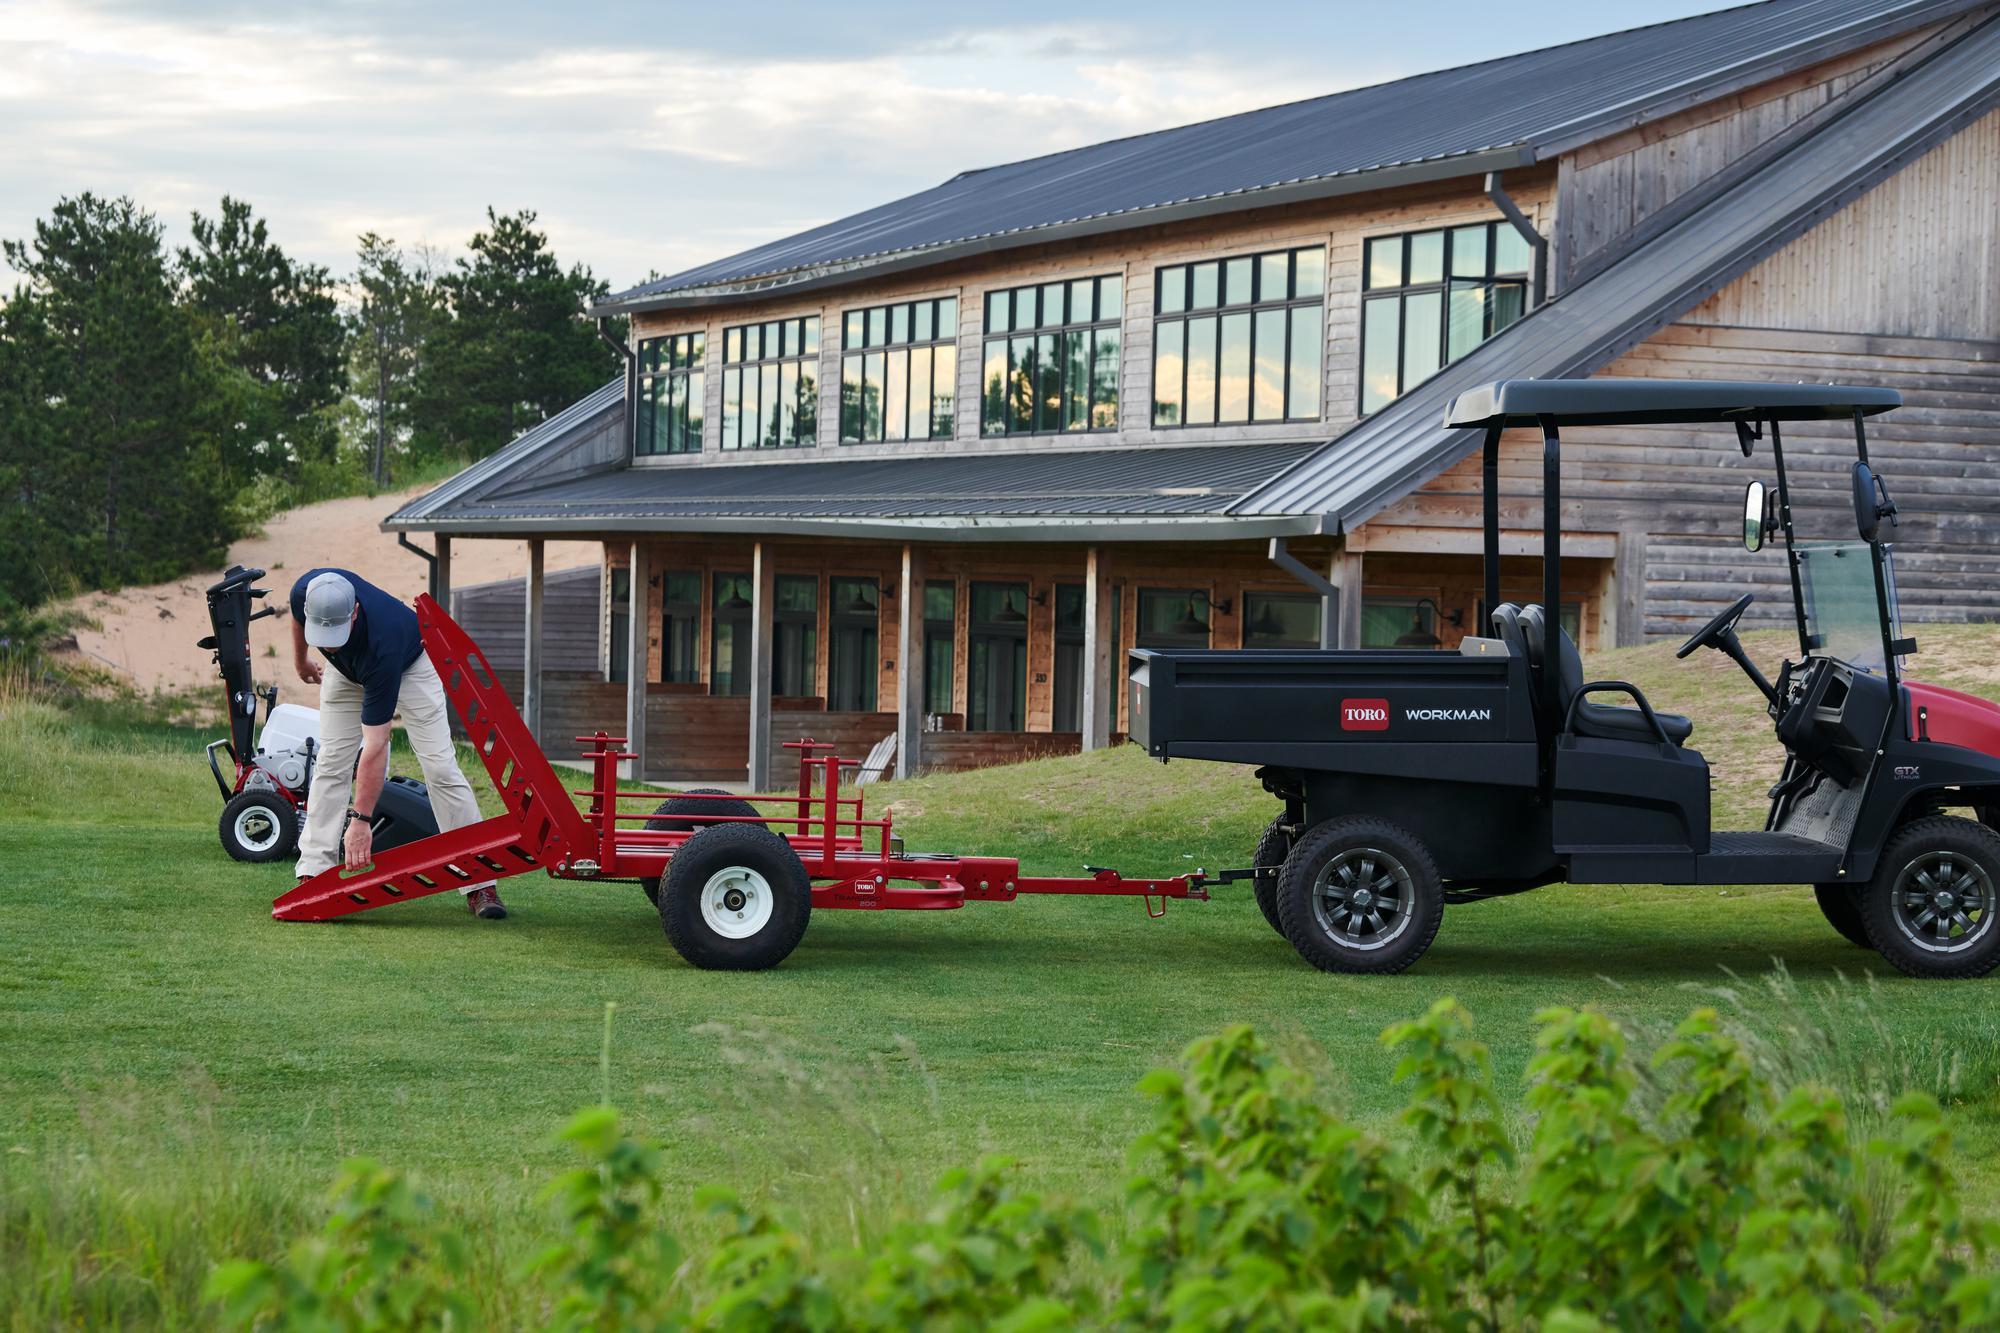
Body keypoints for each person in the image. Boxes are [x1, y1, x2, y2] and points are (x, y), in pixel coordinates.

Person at [290, 568, 507, 919]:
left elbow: (376, 745)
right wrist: (300, 661)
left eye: (336, 632)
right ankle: (313, 875)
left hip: (409, 666)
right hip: (346, 674)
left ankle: (480, 880)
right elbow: (297, 620)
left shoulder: (383, 641)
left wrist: (360, 823)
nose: (328, 644)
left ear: (355, 612)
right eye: (322, 633)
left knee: (440, 767)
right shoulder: (305, 591)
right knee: (331, 763)